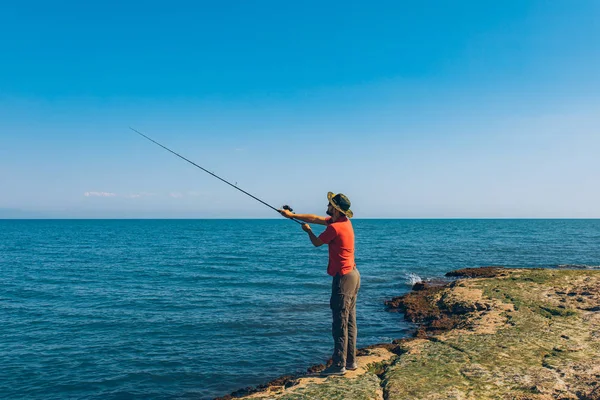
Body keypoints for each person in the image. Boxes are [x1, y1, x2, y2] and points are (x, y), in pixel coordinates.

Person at [280, 192, 360, 376]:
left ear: (336, 210)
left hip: (344, 278)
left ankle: (339, 365)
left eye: (330, 205)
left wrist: (308, 231)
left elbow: (317, 242)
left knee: (340, 322)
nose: (328, 206)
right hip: (354, 275)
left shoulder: (335, 228)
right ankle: (350, 361)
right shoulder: (343, 222)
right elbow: (315, 218)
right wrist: (292, 215)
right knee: (349, 321)